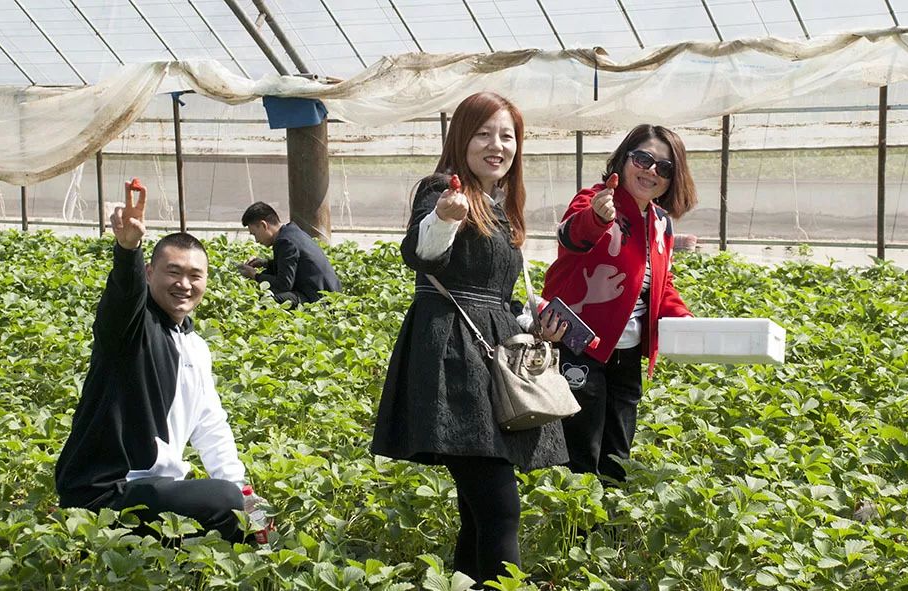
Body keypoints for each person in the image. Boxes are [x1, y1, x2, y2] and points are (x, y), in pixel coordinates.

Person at [370, 92, 568, 588]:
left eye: (507, 136)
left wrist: (533, 323)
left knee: (479, 510)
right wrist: (444, 218)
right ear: (461, 138)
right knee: (500, 508)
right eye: (483, 134)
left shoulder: (500, 204)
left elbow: (495, 294)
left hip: (489, 354)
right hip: (452, 356)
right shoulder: (442, 189)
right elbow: (421, 255)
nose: (496, 145)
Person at [55, 180, 254, 542]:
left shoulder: (195, 346)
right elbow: (123, 298)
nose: (184, 284)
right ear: (149, 273)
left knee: (238, 506)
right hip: (105, 491)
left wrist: (243, 492)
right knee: (223, 502)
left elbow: (211, 424)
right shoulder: (131, 329)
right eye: (173, 272)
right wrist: (128, 250)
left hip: (153, 488)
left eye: (195, 275)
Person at [541, 124, 698, 484]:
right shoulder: (595, 200)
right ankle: (577, 516)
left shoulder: (661, 223)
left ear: (673, 179)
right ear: (624, 159)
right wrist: (598, 217)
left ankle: (611, 514)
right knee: (581, 448)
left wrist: (684, 319)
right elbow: (571, 236)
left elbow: (661, 286)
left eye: (664, 167)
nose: (651, 171)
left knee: (618, 452)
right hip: (580, 343)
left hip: (627, 354)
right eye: (643, 159)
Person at [237, 202, 341, 306]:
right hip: (328, 292)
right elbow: (291, 265)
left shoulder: (285, 242)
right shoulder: (290, 232)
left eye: (254, 234)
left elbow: (284, 284)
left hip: (320, 299)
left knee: (267, 300)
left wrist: (255, 275)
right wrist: (265, 263)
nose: (256, 240)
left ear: (264, 225)